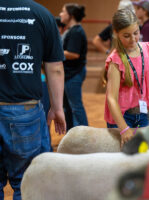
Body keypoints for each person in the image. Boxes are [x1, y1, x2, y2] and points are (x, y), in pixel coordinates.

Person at [0, 0, 66, 199]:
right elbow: (55, 68)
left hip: (21, 108)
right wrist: (57, 108)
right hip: (23, 110)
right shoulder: (42, 14)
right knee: (28, 182)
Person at [105, 9, 149, 147]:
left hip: (144, 113)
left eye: (136, 33)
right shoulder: (115, 60)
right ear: (116, 33)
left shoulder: (147, 49)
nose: (133, 39)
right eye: (127, 35)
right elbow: (111, 98)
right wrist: (123, 128)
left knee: (145, 155)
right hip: (123, 118)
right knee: (124, 160)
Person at [59, 3, 88, 131]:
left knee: (76, 107)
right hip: (68, 74)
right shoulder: (71, 30)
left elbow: (74, 54)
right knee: (68, 107)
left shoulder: (76, 31)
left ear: (70, 15)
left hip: (74, 74)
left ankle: (84, 135)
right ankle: (71, 134)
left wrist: (56, 52)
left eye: (63, 11)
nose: (60, 14)